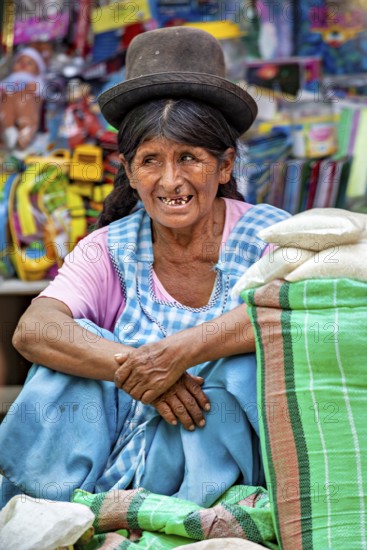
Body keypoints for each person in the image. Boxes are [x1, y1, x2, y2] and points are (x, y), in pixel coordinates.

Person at [0, 27, 289, 510]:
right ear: (131, 173)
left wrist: (182, 352)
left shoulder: (270, 236)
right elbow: (34, 329)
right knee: (66, 356)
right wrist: (142, 370)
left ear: (224, 166)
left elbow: (292, 309)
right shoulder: (108, 247)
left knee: (238, 365)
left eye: (190, 158)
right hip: (114, 452)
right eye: (151, 160)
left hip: (223, 467)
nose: (171, 180)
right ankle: (63, 505)